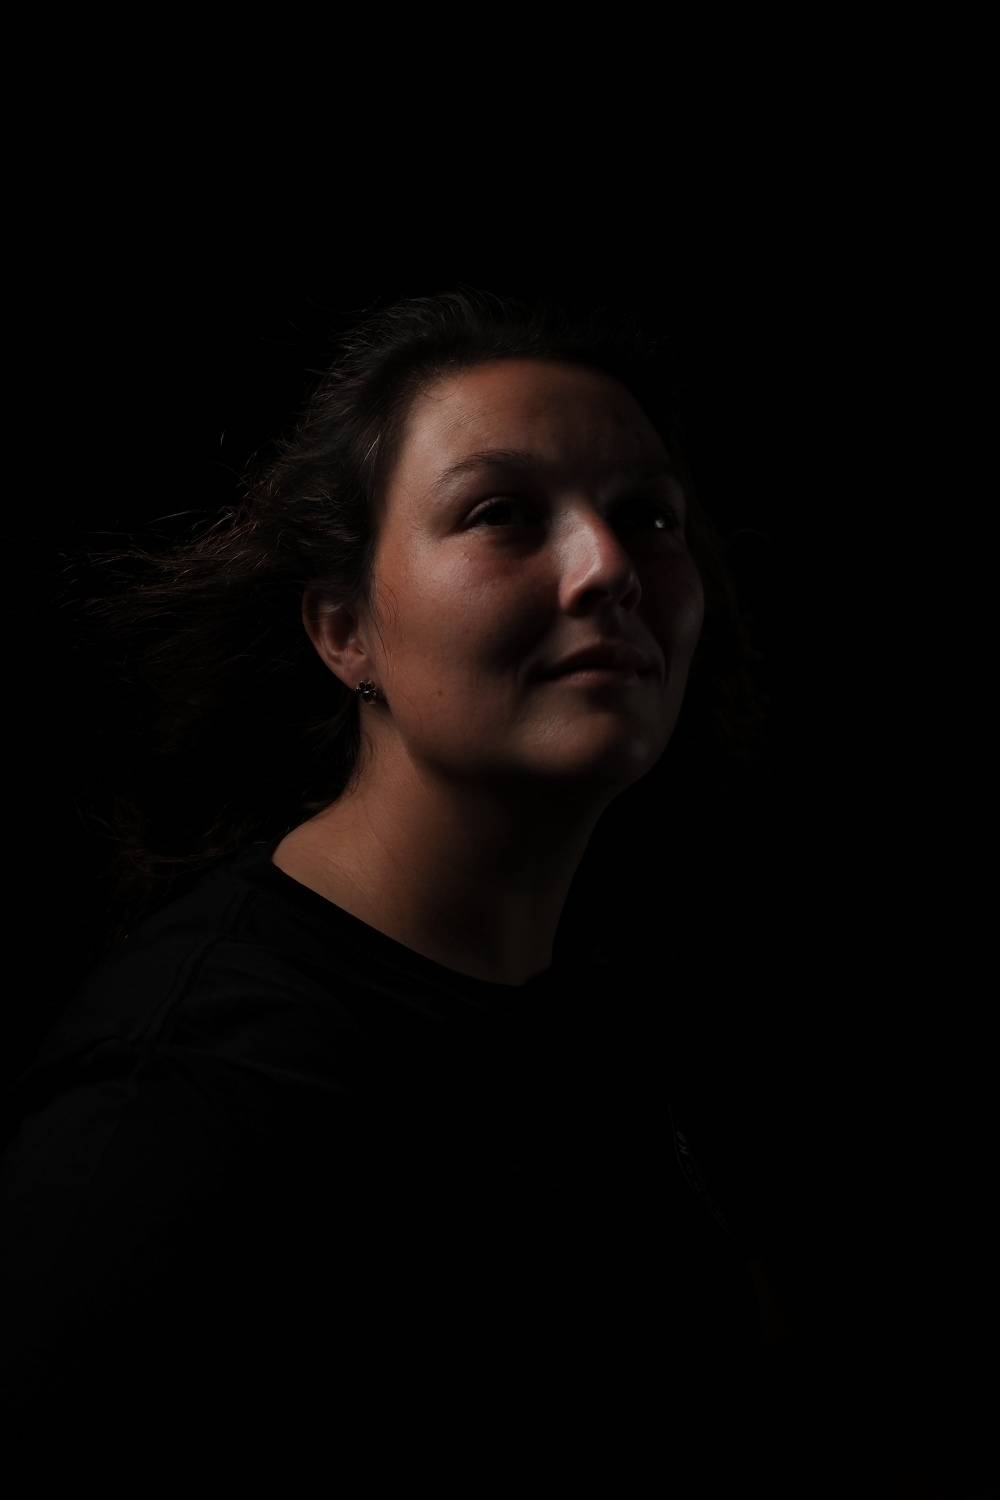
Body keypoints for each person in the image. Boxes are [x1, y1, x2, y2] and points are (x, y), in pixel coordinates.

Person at [3, 287, 788, 1481]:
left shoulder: (628, 1011)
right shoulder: (178, 1115)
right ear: (343, 631)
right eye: (500, 513)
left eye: (648, 516)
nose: (608, 568)